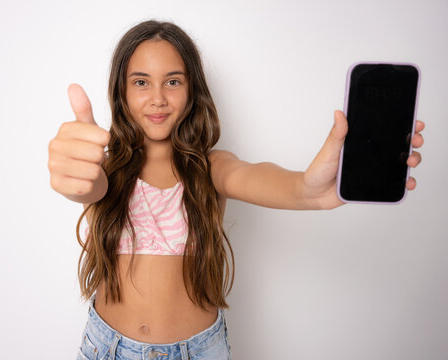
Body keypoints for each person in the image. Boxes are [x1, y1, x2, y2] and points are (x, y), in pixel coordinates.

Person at [48, 20, 425, 360]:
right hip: (108, 348)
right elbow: (89, 187)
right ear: (122, 91)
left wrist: (309, 186)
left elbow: (269, 180)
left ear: (192, 90)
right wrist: (77, 177)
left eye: (173, 81)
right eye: (141, 82)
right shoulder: (103, 166)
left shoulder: (211, 167)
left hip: (200, 351)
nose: (158, 97)